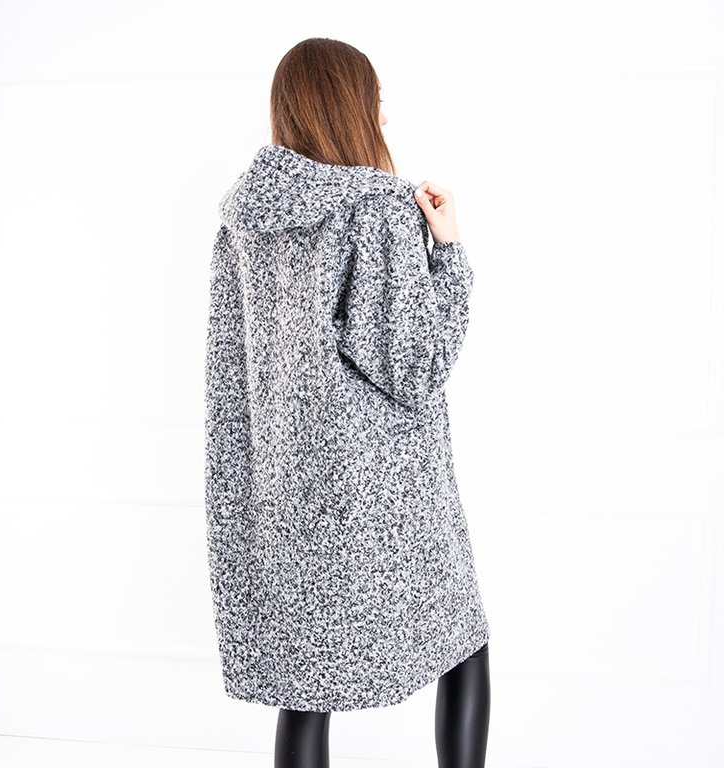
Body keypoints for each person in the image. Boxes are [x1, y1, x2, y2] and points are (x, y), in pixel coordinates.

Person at [204, 37, 491, 768]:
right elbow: (417, 363)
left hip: (285, 492)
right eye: (376, 100)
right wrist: (449, 252)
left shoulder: (245, 218)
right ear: (349, 107)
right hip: (387, 497)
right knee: (462, 643)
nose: (385, 117)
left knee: (306, 688)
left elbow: (233, 361)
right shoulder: (378, 209)